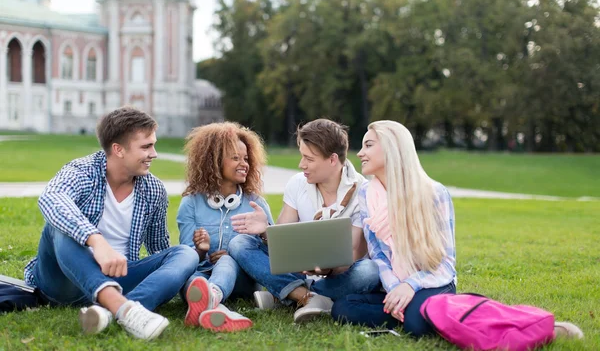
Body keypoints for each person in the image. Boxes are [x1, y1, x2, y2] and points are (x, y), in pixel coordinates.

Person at [331, 120, 584, 340]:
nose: (360, 153)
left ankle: (515, 321)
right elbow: (379, 255)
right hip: (394, 283)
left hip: (432, 280)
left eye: (368, 145)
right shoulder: (367, 193)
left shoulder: (434, 194)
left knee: (416, 325)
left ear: (393, 148)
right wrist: (396, 287)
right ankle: (430, 313)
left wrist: (410, 286)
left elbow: (445, 265)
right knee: (342, 309)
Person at [22, 106, 199, 340]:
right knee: (58, 227)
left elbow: (160, 250)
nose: (154, 153)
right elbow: (52, 198)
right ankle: (124, 309)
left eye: (153, 145)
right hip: (65, 282)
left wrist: (190, 276)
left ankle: (113, 311)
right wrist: (97, 242)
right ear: (118, 149)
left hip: (121, 276)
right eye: (146, 146)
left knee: (185, 254)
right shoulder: (82, 171)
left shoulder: (154, 189)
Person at [228, 119, 380, 324]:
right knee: (240, 243)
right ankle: (305, 297)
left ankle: (285, 293)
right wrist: (266, 230)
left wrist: (327, 269)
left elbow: (352, 255)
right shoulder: (298, 183)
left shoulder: (362, 193)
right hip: (298, 269)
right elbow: (282, 244)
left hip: (336, 277)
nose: (301, 165)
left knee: (369, 272)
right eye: (302, 157)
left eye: (309, 159)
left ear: (333, 159)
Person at [177, 122, 274, 332]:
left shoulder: (256, 204)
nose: (244, 164)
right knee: (191, 279)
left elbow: (276, 257)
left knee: (227, 261)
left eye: (246, 158)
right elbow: (186, 257)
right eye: (235, 158)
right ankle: (217, 309)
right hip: (203, 274)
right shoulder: (191, 203)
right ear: (213, 161)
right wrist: (201, 250)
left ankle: (210, 299)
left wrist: (265, 232)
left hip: (242, 280)